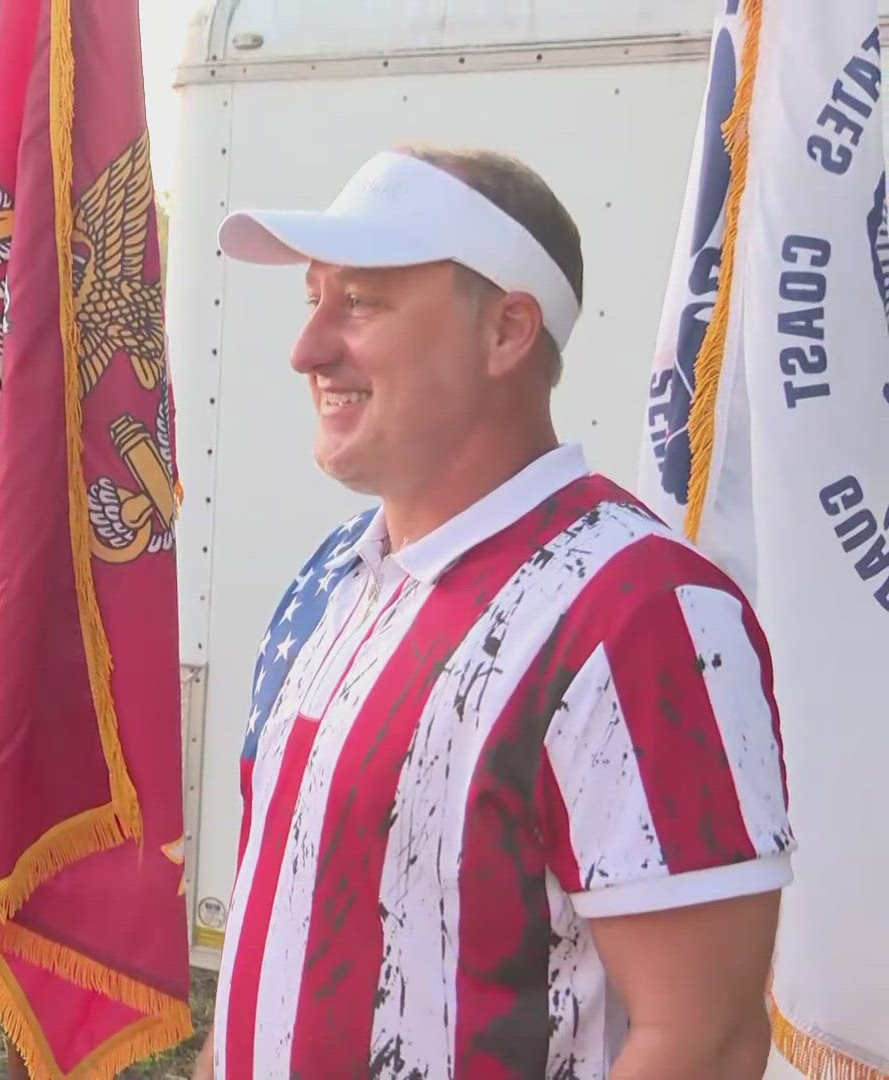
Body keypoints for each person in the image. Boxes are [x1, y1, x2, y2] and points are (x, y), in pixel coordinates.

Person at [190, 147, 793, 1079]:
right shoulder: (331, 580)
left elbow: (705, 1041)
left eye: (359, 301)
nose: (307, 349)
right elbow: (279, 937)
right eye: (312, 299)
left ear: (508, 331)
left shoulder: (642, 615)